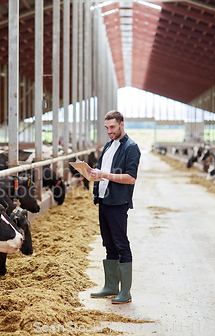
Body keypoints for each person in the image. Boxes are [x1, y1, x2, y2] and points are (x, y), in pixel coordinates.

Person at [87, 110, 141, 304]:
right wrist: (93, 174)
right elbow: (103, 172)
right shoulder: (109, 146)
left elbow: (130, 177)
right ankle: (111, 287)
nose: (109, 131)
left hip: (118, 202)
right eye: (106, 128)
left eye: (112, 127)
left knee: (121, 244)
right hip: (104, 200)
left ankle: (125, 292)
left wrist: (105, 175)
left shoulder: (131, 147)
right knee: (108, 244)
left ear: (121, 124)